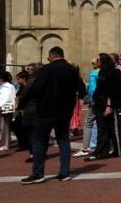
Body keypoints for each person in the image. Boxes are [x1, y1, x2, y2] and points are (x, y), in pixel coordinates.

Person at [19, 46, 84, 184]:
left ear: (52, 56)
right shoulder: (72, 69)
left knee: (39, 140)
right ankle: (64, 172)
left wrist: (21, 104)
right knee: (63, 139)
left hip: (46, 110)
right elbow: (82, 89)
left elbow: (34, 88)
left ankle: (38, 173)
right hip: (65, 110)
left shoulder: (46, 69)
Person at [87, 53, 121, 161]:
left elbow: (112, 91)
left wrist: (109, 105)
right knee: (102, 128)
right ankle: (102, 151)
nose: (97, 61)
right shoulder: (102, 72)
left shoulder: (114, 72)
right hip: (100, 103)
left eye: (99, 59)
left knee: (113, 128)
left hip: (109, 103)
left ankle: (118, 150)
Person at [75, 58, 100, 157]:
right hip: (104, 100)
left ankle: (85, 148)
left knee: (88, 123)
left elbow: (92, 88)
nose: (92, 64)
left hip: (95, 100)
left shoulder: (94, 73)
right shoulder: (106, 72)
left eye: (93, 63)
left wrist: (91, 99)